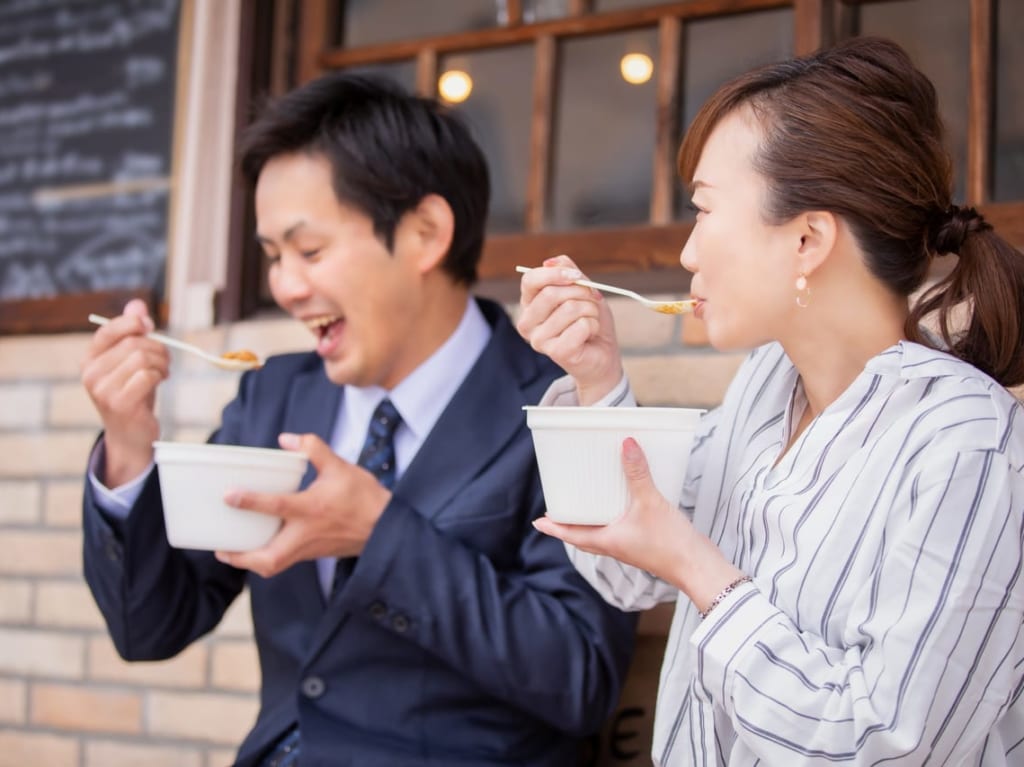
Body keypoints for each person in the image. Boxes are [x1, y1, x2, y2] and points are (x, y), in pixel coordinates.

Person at [80, 73, 636, 767]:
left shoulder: (559, 410)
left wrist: (380, 537)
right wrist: (130, 448)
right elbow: (150, 626)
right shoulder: (273, 397)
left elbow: (580, 677)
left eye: (309, 251)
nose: (285, 286)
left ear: (426, 233)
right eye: (273, 256)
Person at [517, 36, 1024, 766]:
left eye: (703, 211)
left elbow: (885, 744)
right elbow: (629, 570)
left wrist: (702, 572)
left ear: (809, 238)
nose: (687, 253)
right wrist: (597, 378)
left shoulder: (968, 443)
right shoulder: (763, 387)